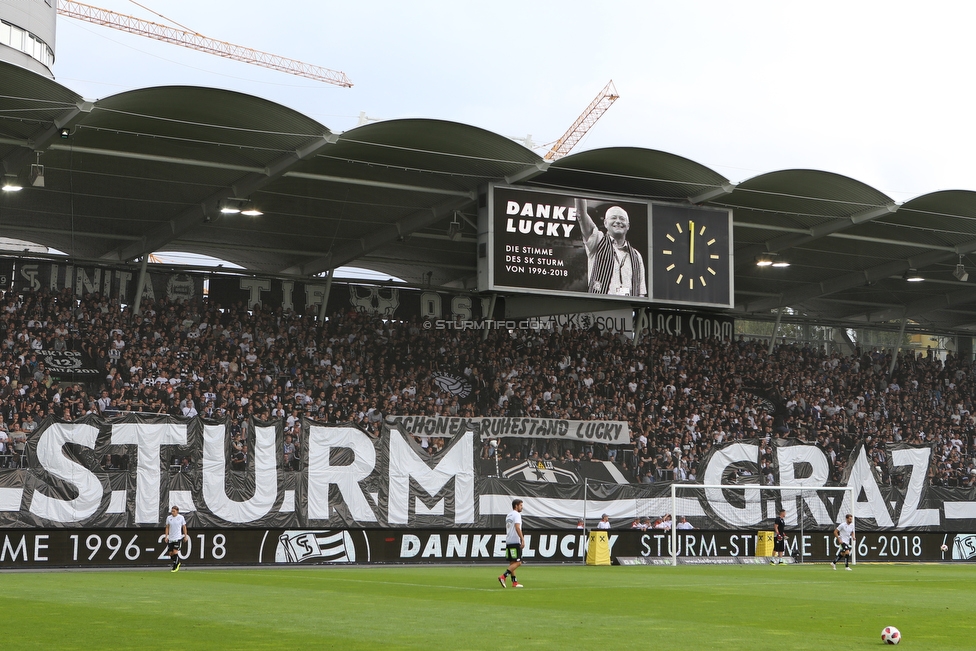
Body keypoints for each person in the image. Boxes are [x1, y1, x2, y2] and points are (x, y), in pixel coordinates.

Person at [576, 198, 647, 297]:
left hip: (626, 309)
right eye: (613, 218)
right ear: (605, 223)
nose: (618, 221)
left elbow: (641, 293)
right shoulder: (597, 241)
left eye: (622, 219)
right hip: (600, 308)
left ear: (628, 226)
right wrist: (579, 190)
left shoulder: (636, 256)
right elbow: (581, 215)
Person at [498, 499, 524, 588]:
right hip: (515, 541)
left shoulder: (508, 515)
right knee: (518, 562)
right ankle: (503, 576)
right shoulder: (517, 515)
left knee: (512, 562)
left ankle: (514, 582)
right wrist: (522, 539)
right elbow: (517, 527)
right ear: (516, 506)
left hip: (509, 540)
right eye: (521, 505)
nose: (522, 507)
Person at [164, 505, 188, 572]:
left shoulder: (181, 518)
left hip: (177, 538)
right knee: (171, 554)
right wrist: (166, 536)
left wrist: (185, 535)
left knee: (175, 552)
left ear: (177, 511)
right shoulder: (169, 518)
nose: (172, 512)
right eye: (172, 511)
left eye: (174, 511)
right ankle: (177, 562)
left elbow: (184, 527)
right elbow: (167, 527)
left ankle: (175, 566)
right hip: (171, 538)